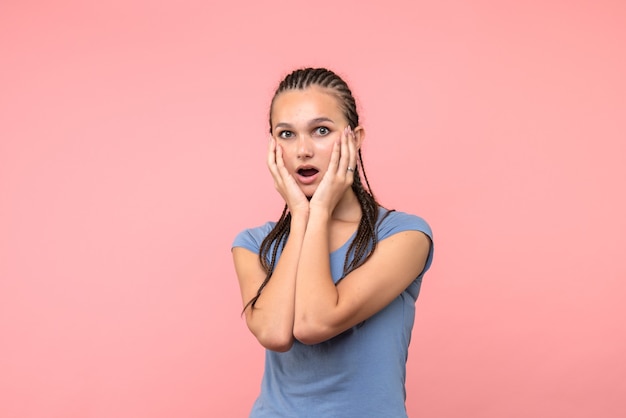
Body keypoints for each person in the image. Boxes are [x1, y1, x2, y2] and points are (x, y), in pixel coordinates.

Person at [232, 67, 434, 418]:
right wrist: (301, 213)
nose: (303, 150)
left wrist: (320, 208)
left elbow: (314, 323)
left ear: (355, 139)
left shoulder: (404, 235)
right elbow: (274, 333)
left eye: (320, 130)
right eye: (287, 134)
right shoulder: (253, 244)